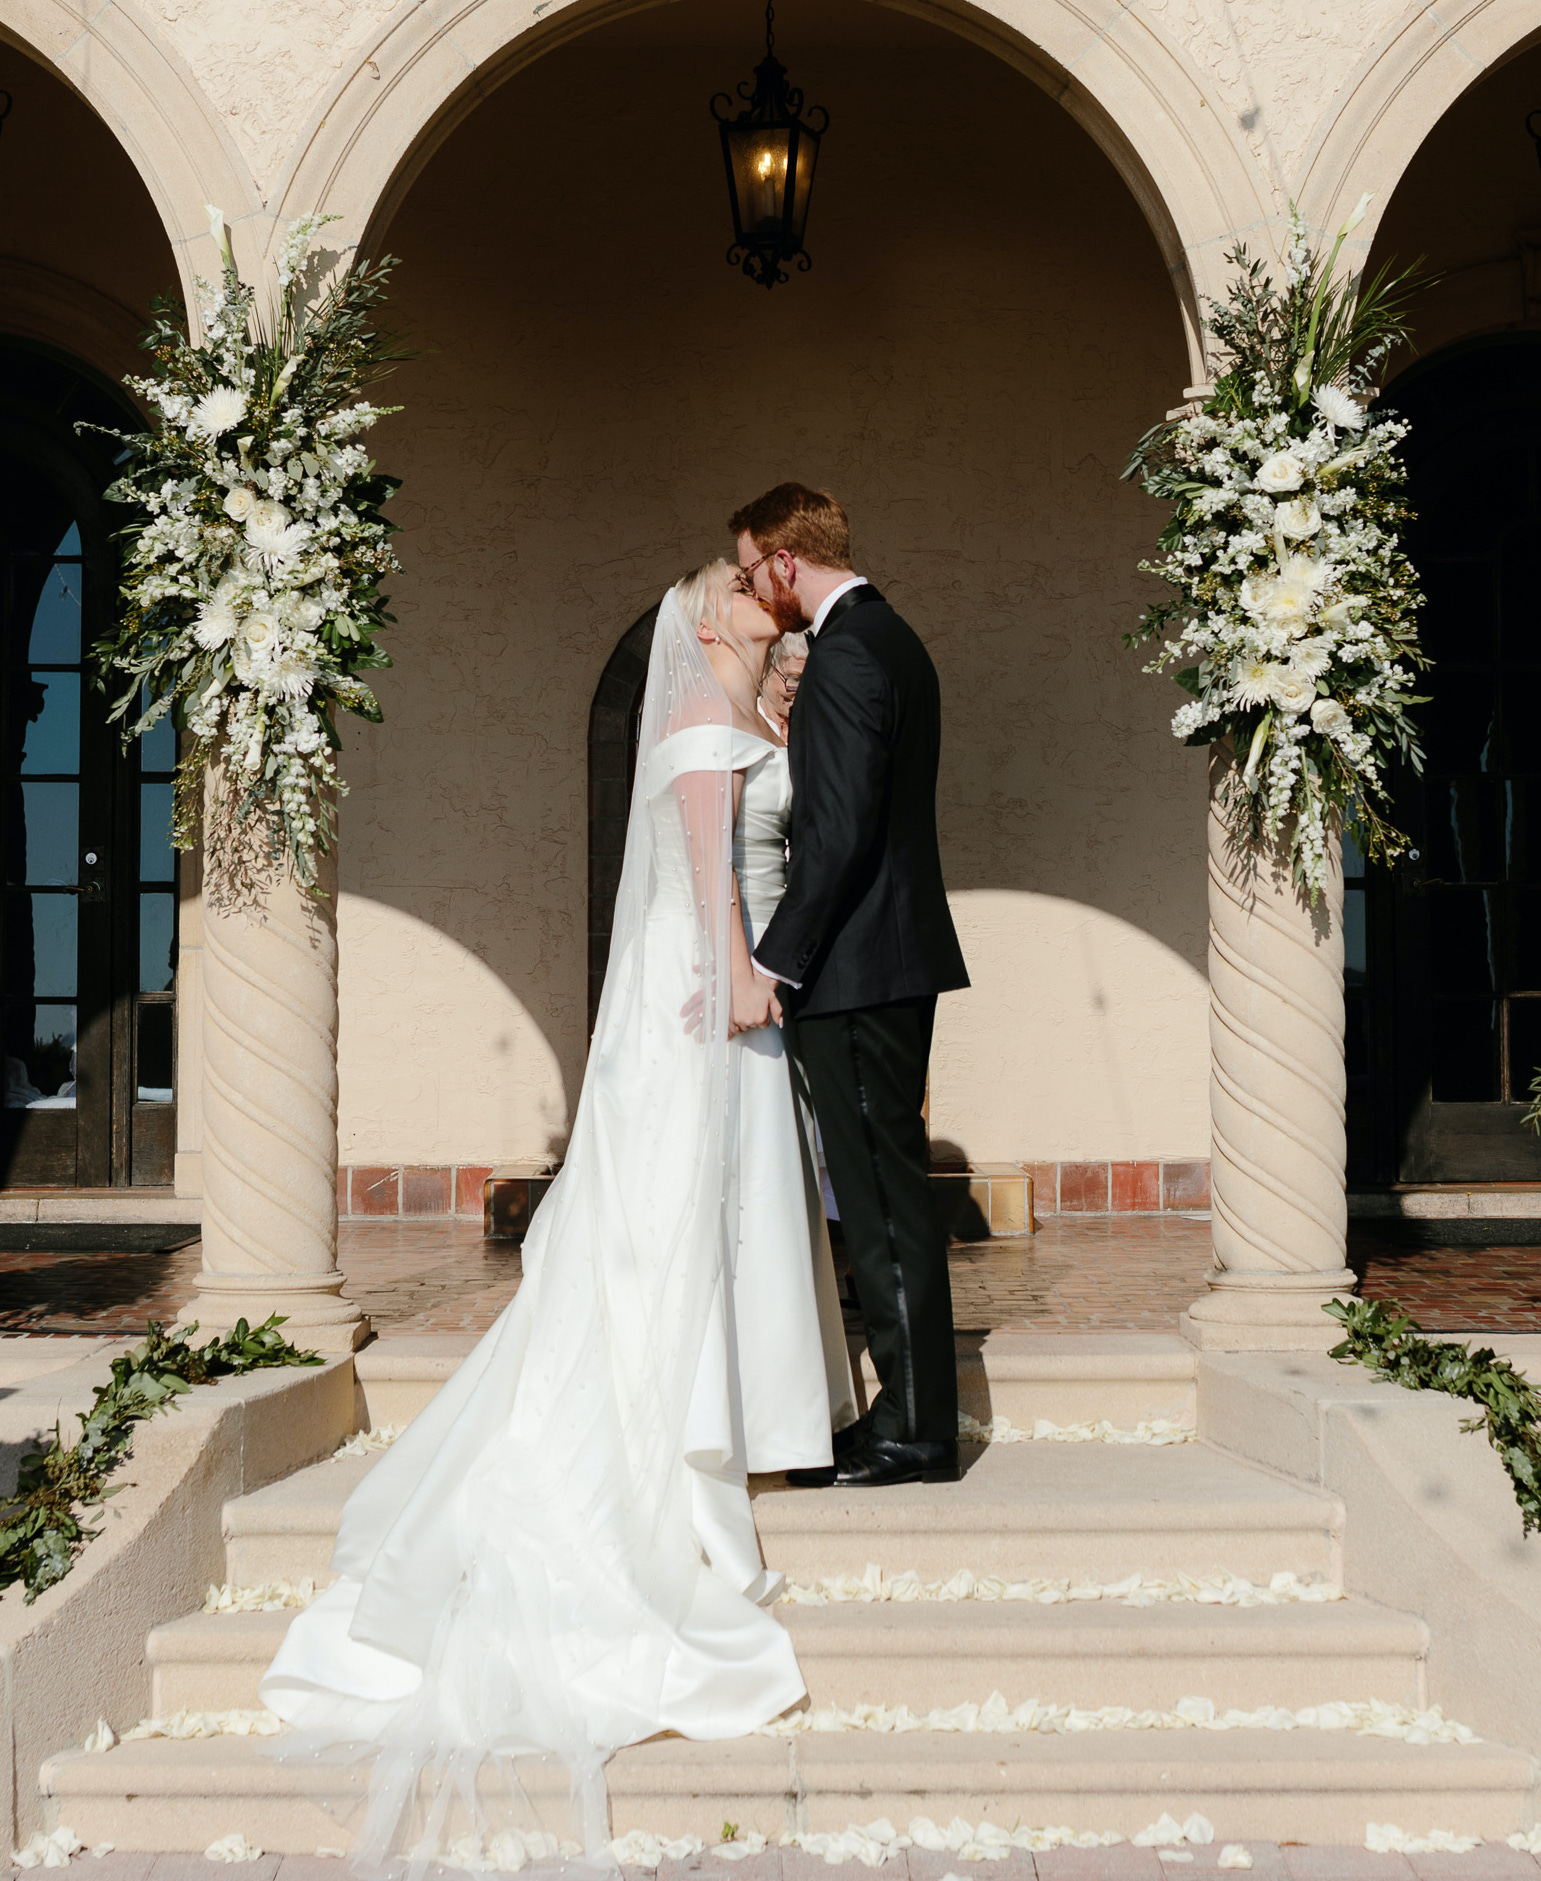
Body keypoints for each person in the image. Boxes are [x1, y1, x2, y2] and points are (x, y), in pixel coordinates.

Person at [258, 561, 855, 1872]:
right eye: (756, 614)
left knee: (726, 1212)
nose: (770, 623)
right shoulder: (703, 728)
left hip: (728, 992)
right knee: (671, 1214)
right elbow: (706, 881)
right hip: (705, 992)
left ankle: (739, 1407)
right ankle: (686, 1416)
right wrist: (745, 978)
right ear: (709, 630)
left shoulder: (754, 717)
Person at [730, 483, 970, 1490]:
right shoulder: (892, 638)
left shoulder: (846, 655)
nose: (750, 588)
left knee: (877, 1201)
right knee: (883, 1192)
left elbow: (835, 835)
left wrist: (772, 960)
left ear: (785, 560)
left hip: (858, 971)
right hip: (886, 960)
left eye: (749, 570)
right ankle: (909, 1411)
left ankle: (914, 1429)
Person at [757, 628, 807, 742]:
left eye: (809, 679)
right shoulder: (744, 725)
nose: (802, 690)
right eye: (794, 679)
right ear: (765, 669)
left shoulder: (820, 727)